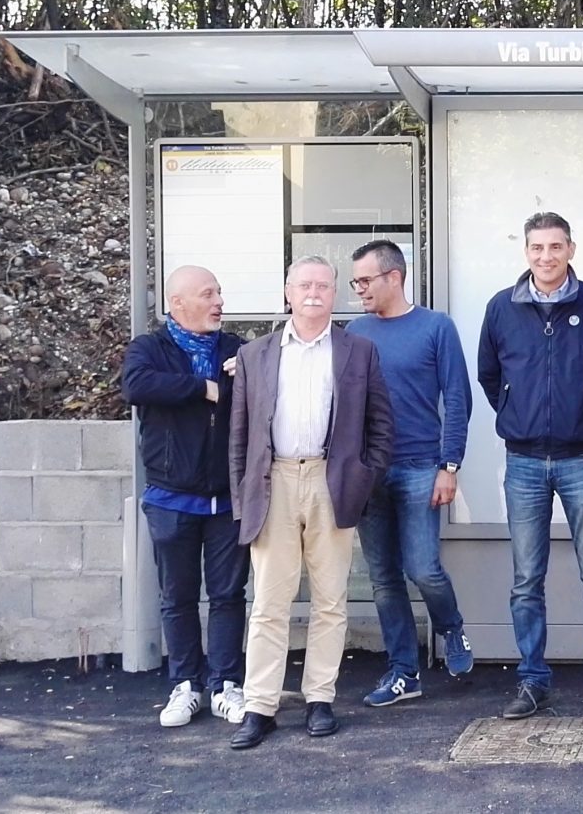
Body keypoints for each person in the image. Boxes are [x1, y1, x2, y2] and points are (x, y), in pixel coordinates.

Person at [225, 256, 393, 749]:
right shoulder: (255, 354)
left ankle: (320, 698)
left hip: (330, 479)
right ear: (288, 292)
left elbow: (381, 425)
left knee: (330, 600)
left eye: (323, 285)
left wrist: (361, 479)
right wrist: (242, 496)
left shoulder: (358, 351)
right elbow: (240, 434)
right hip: (273, 481)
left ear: (335, 293)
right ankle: (260, 706)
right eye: (304, 285)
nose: (314, 293)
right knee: (268, 603)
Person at [478, 211, 583, 721]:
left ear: (571, 249)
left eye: (555, 246)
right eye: (537, 247)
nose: (546, 256)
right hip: (523, 462)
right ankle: (532, 680)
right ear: (526, 252)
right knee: (526, 581)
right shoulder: (502, 307)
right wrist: (517, 413)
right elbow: (490, 375)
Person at [345, 239, 476, 707]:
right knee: (383, 579)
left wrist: (449, 466)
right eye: (355, 282)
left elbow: (457, 399)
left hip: (421, 466)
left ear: (394, 277)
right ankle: (404, 672)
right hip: (369, 473)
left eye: (365, 280)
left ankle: (451, 627)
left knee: (423, 568)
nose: (359, 289)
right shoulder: (354, 333)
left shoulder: (436, 327)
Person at [120, 265, 249, 728]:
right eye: (208, 294)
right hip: (170, 498)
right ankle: (186, 686)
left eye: (219, 293)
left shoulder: (236, 349)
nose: (219, 302)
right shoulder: (149, 349)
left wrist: (238, 377)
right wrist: (203, 387)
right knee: (177, 597)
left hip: (227, 499)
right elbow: (137, 386)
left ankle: (226, 685)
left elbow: (260, 393)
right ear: (177, 303)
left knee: (228, 595)